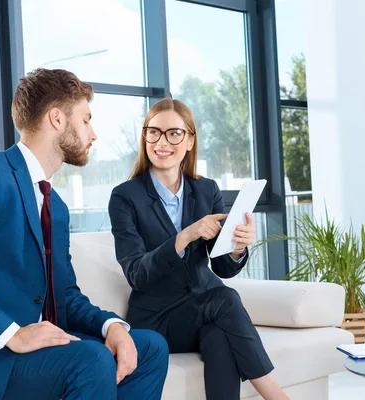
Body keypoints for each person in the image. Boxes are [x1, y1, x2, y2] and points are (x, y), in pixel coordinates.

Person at [0, 68, 168, 400]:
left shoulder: (56, 207)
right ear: (57, 120)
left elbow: (64, 295)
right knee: (90, 360)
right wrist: (12, 334)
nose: (93, 134)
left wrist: (112, 326)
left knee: (149, 347)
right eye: (86, 120)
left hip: (43, 351)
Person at [108, 98, 290, 400]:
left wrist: (236, 248)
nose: (162, 141)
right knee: (225, 298)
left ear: (190, 140)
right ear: (145, 137)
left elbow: (222, 268)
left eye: (174, 133)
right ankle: (276, 395)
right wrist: (184, 237)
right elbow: (136, 274)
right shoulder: (125, 197)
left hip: (202, 312)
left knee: (220, 334)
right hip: (156, 321)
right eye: (153, 132)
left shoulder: (207, 190)